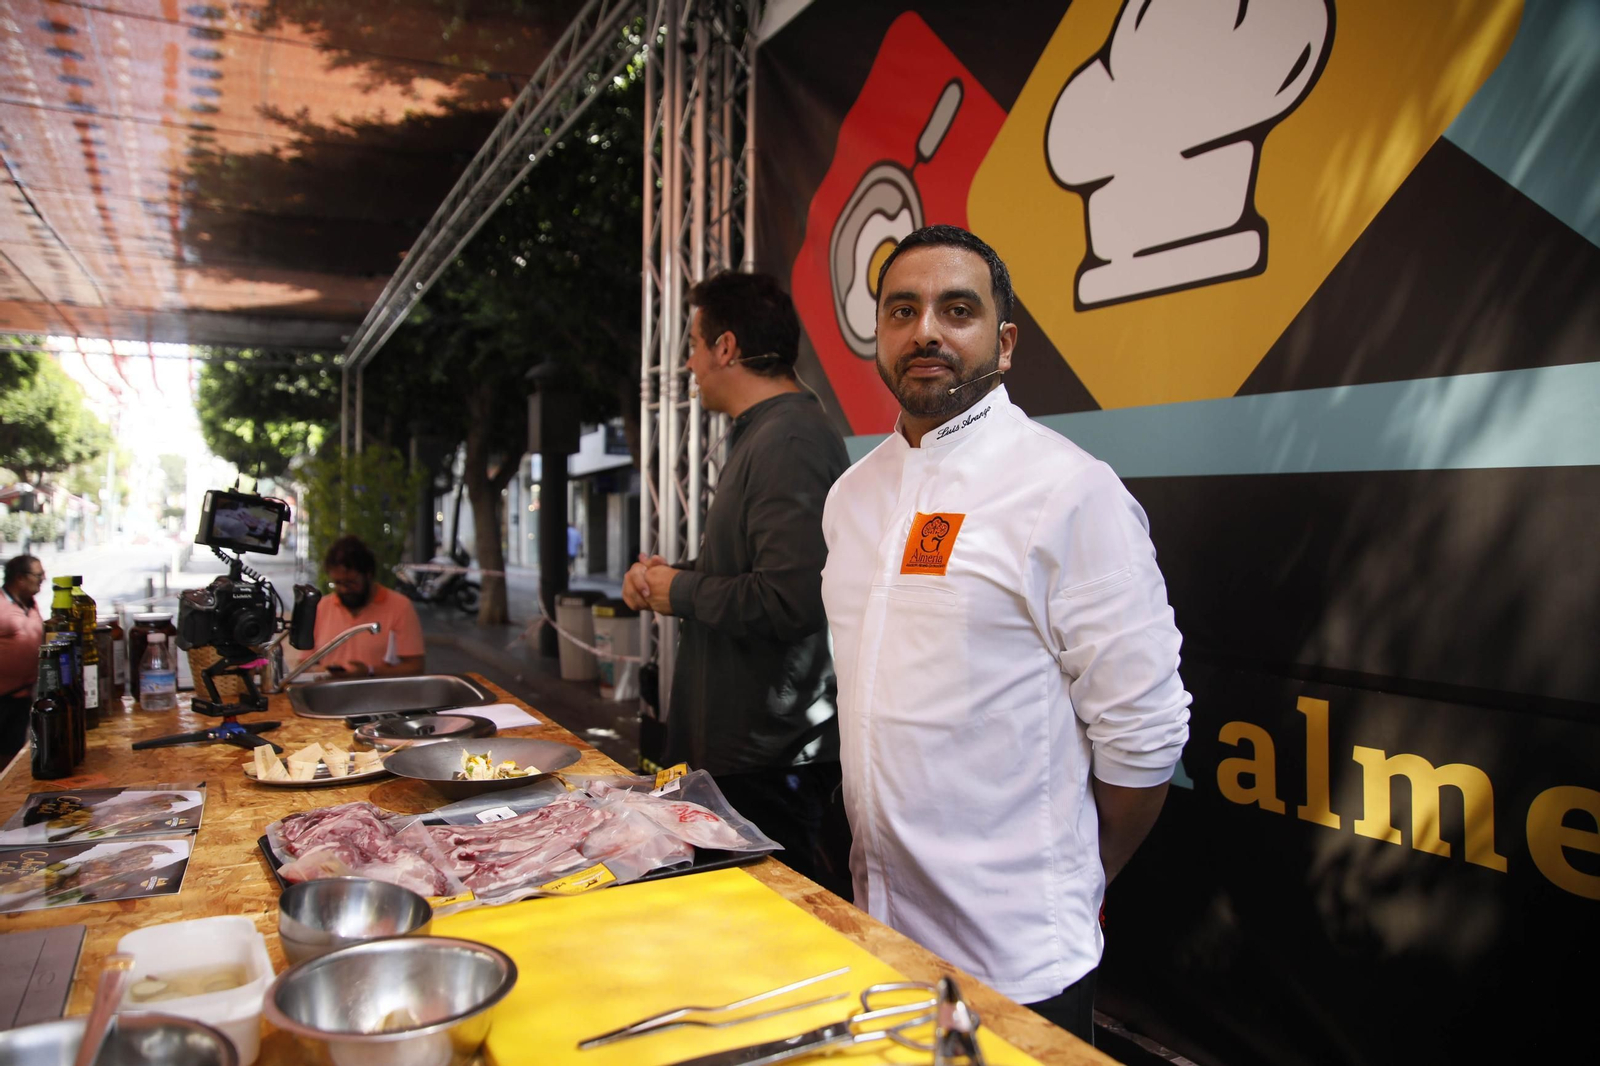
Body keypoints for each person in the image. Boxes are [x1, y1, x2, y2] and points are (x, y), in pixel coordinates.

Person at [819, 225, 1192, 1042]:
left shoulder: (1066, 491)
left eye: (958, 309)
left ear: (1005, 340)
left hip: (1019, 960)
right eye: (902, 310)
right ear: (878, 334)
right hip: (878, 933)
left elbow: (1145, 736)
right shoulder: (852, 497)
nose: (926, 331)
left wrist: (1080, 872)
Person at [622, 270, 852, 897]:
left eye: (694, 346)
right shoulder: (766, 433)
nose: (690, 364)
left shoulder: (792, 437)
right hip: (744, 757)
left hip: (769, 762)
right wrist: (670, 577)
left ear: (726, 347)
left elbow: (791, 596)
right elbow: (744, 573)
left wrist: (681, 591)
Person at [311, 536, 425, 677]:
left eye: (351, 583)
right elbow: (305, 664)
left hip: (379, 694)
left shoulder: (400, 607)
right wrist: (322, 671)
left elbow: (416, 668)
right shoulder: (321, 608)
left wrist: (370, 672)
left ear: (369, 575)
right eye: (337, 583)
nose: (344, 589)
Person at [0, 555, 47, 765]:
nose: (43, 579)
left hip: (21, 696)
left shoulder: (31, 604)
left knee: (12, 754)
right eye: (38, 575)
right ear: (19, 578)